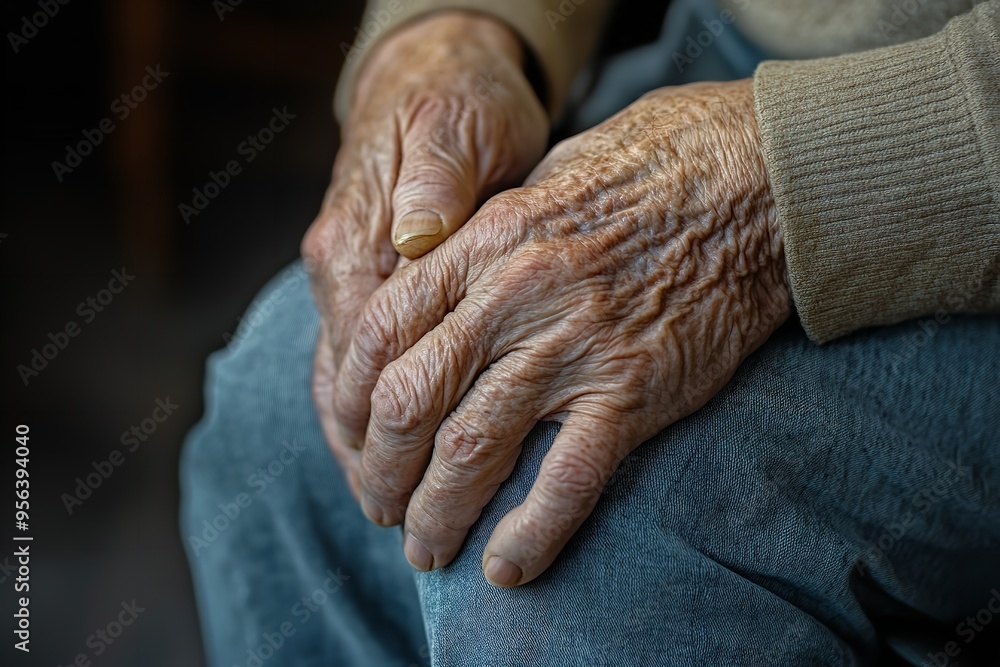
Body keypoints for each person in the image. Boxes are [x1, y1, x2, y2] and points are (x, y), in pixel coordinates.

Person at [181, 1, 1000, 664]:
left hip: (955, 135)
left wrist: (784, 179)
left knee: (578, 545)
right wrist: (455, 32)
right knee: (283, 389)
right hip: (737, 50)